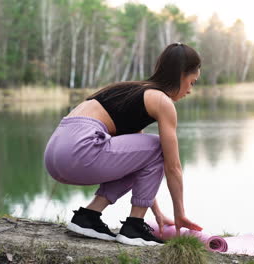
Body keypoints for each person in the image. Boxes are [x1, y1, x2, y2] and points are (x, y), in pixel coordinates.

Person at [43, 42, 202, 246]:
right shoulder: (162, 101)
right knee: (158, 146)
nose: (190, 90)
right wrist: (180, 213)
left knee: (148, 152)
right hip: (80, 151)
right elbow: (173, 166)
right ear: (181, 75)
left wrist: (158, 213)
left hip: (55, 154)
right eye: (192, 82)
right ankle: (134, 228)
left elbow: (139, 166)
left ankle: (88, 217)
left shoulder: (130, 92)